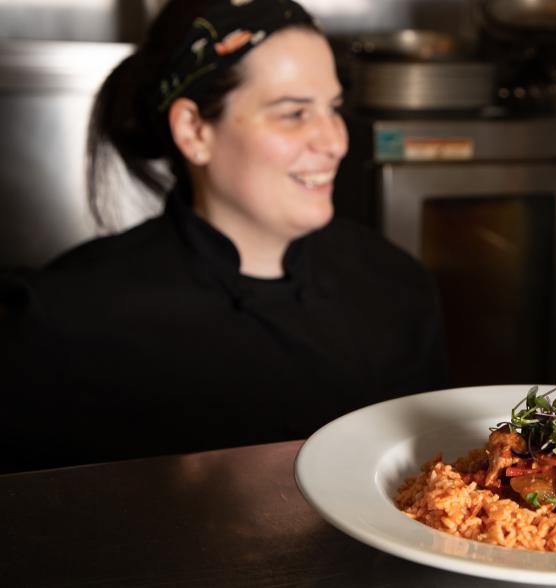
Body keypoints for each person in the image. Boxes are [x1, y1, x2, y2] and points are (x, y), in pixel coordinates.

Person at [0, 0, 449, 473]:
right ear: (194, 131)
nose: (335, 141)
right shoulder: (63, 323)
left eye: (333, 108)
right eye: (294, 113)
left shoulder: (396, 288)